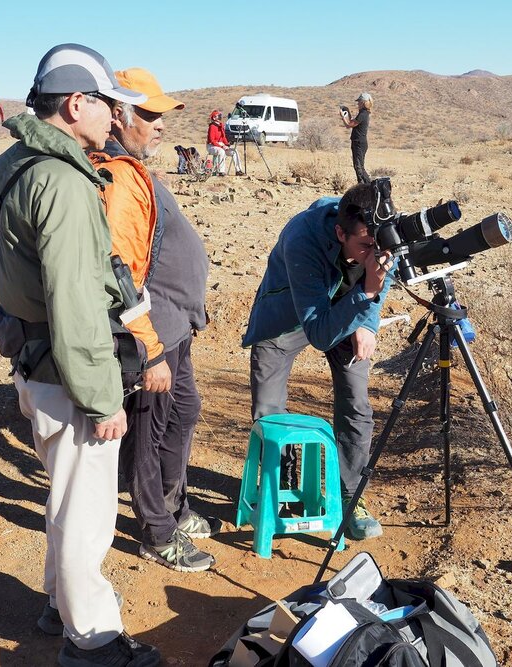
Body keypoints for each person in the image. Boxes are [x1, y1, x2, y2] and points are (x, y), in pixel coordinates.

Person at [0, 43, 159, 667]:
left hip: (33, 363)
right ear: (75, 103)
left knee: (64, 499)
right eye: (107, 105)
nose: (115, 118)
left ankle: (59, 603)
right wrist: (102, 395)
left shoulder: (13, 164)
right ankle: (92, 643)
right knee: (86, 515)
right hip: (68, 372)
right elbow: (77, 299)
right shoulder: (63, 180)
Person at [87, 67, 217, 573]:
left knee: (182, 413)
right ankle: (155, 529)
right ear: (117, 115)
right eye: (149, 113)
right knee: (150, 426)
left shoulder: (135, 168)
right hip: (152, 329)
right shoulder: (118, 175)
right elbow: (118, 267)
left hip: (173, 323)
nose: (160, 124)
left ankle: (174, 505)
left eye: (162, 114)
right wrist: (149, 344)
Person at [241, 182, 394, 541]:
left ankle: (349, 496)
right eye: (365, 246)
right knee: (269, 411)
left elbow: (385, 270)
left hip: (348, 312)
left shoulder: (384, 234)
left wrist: (368, 320)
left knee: (357, 405)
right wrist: (368, 291)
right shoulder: (302, 237)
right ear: (340, 232)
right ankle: (282, 488)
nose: (375, 253)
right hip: (290, 314)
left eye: (380, 246)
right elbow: (319, 331)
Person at [341, 92, 373, 184]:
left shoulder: (363, 114)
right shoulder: (363, 113)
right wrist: (347, 114)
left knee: (359, 167)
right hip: (358, 142)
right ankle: (362, 185)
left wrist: (343, 116)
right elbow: (352, 122)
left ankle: (369, 186)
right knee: (358, 166)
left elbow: (348, 125)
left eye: (359, 102)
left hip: (359, 143)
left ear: (363, 102)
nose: (358, 103)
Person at [206, 109, 244, 176]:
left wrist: (227, 144)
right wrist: (222, 146)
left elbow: (223, 138)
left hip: (220, 145)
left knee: (234, 152)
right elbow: (212, 140)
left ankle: (238, 170)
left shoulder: (221, 126)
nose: (220, 117)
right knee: (221, 151)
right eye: (218, 115)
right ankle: (221, 171)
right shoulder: (212, 126)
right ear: (214, 117)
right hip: (211, 146)